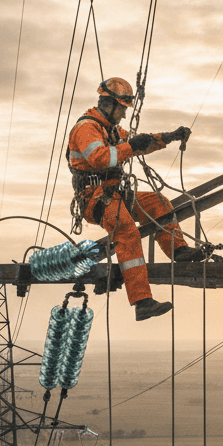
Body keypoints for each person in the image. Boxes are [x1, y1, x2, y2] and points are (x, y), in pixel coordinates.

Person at [68, 77, 205, 321]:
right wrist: (130, 146)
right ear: (108, 104)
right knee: (125, 228)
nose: (123, 114)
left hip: (114, 194)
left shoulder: (110, 129)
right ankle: (142, 302)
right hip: (93, 199)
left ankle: (179, 250)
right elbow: (100, 158)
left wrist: (169, 137)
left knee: (158, 202)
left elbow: (138, 143)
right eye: (121, 108)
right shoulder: (86, 129)